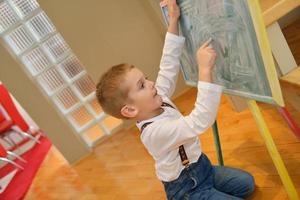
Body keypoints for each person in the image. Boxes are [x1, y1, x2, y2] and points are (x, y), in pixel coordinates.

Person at [96, 0, 255, 199]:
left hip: (203, 168)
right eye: (142, 85)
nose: (151, 83)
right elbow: (199, 120)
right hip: (187, 189)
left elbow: (168, 64)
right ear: (130, 110)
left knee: (246, 185)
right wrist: (204, 71)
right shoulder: (154, 133)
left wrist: (173, 20)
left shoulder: (157, 98)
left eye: (145, 77)